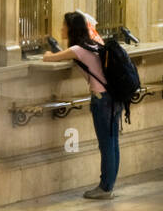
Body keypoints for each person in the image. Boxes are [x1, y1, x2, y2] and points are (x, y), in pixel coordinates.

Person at [43, 11, 120, 199]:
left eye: (63, 26)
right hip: (114, 96)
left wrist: (48, 52)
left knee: (106, 145)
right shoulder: (93, 44)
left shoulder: (78, 49)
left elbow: (49, 58)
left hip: (101, 100)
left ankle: (105, 187)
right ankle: (109, 184)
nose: (61, 29)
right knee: (113, 143)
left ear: (70, 29)